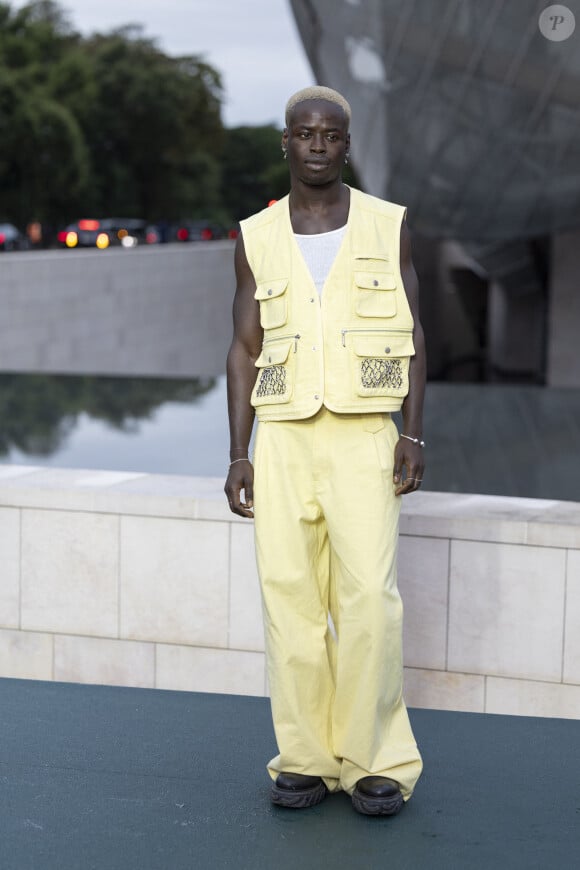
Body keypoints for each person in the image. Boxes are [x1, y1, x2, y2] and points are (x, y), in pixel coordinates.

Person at [224, 85, 426, 816]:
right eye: (304, 133)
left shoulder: (388, 224)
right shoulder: (255, 235)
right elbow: (244, 348)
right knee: (290, 599)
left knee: (369, 598)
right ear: (285, 142)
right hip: (280, 438)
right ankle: (305, 757)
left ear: (346, 145)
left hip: (364, 433)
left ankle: (377, 762)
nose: (317, 144)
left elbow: (415, 336)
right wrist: (237, 451)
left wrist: (412, 431)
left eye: (331, 135)